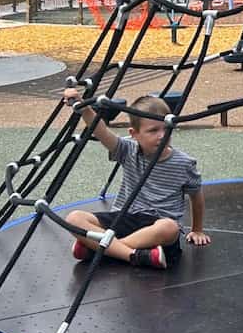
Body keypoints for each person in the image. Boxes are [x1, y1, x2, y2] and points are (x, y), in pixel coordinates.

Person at [62, 88, 208, 270]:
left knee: (170, 227)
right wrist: (83, 108)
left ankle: (103, 249)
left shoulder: (184, 163)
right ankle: (133, 255)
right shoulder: (128, 150)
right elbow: (101, 132)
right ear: (134, 133)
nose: (162, 135)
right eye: (153, 130)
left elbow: (196, 196)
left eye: (166, 128)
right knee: (74, 218)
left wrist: (197, 229)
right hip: (124, 217)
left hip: (156, 225)